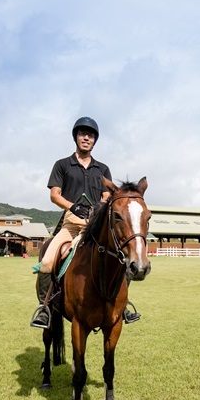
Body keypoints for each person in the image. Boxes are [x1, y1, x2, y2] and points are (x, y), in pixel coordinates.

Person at [30, 117, 141, 328]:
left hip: (95, 226)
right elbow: (55, 195)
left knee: (121, 260)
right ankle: (44, 309)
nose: (86, 138)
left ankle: (123, 305)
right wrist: (72, 206)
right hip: (71, 225)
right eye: (82, 134)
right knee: (46, 261)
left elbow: (107, 195)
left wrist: (98, 210)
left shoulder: (102, 168)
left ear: (94, 141)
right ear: (76, 138)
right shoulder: (62, 164)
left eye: (90, 135)